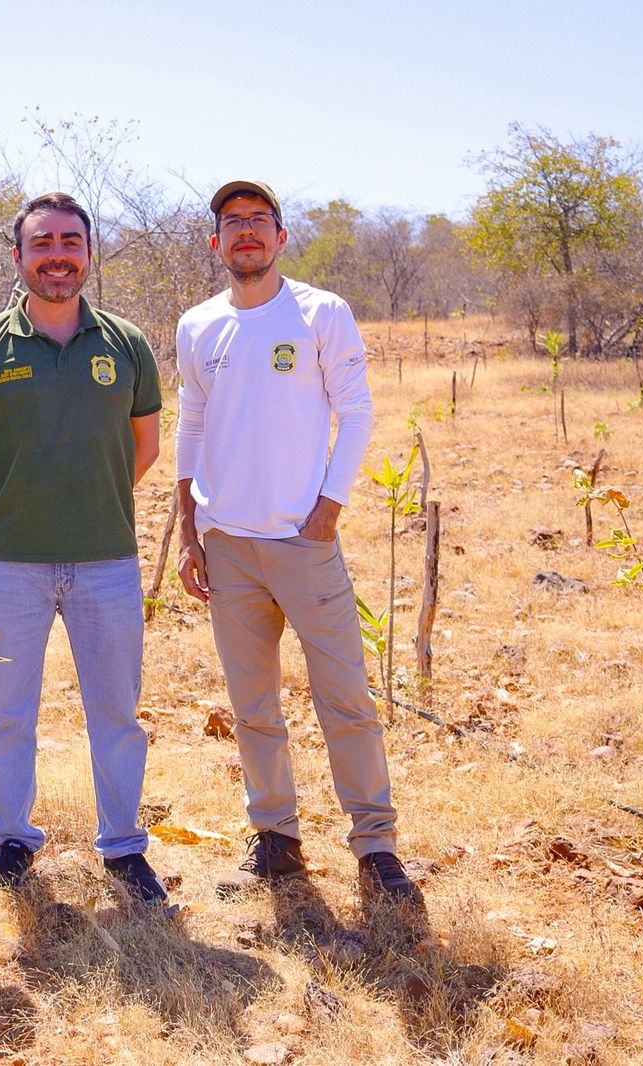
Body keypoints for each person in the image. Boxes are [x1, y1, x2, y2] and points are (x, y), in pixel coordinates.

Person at [175, 179, 421, 903]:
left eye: (259, 221)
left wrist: (329, 508)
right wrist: (190, 529)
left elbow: (357, 410)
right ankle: (276, 837)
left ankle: (376, 845)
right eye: (231, 222)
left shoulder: (320, 312)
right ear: (215, 242)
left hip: (303, 541)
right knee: (253, 706)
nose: (244, 232)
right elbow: (192, 424)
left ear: (282, 238)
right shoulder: (198, 326)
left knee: (344, 697)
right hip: (228, 543)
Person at [0, 192, 167, 906]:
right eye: (42, 243)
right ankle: (12, 842)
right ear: (19, 256)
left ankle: (124, 848)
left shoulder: (126, 343)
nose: (57, 254)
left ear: (89, 253)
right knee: (9, 713)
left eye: (71, 240)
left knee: (117, 712)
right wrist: (12, 508)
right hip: (8, 564)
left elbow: (147, 443)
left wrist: (88, 501)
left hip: (107, 560)